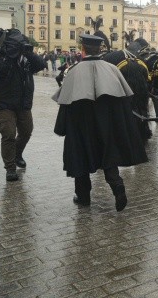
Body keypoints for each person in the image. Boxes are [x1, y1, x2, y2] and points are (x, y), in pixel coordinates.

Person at [52, 34, 148, 211]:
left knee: (80, 159)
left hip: (81, 126)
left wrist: (62, 127)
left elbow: (65, 104)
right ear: (100, 48)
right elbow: (123, 103)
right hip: (107, 125)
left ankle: (83, 197)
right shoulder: (112, 69)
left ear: (83, 49)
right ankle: (117, 186)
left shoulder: (73, 72)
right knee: (108, 157)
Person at [0, 29, 45, 181]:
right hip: (4, 102)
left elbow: (41, 64)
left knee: (27, 131)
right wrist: (9, 56)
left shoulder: (25, 59)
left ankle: (17, 153)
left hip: (22, 103)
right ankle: (10, 168)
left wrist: (28, 52)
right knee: (8, 134)